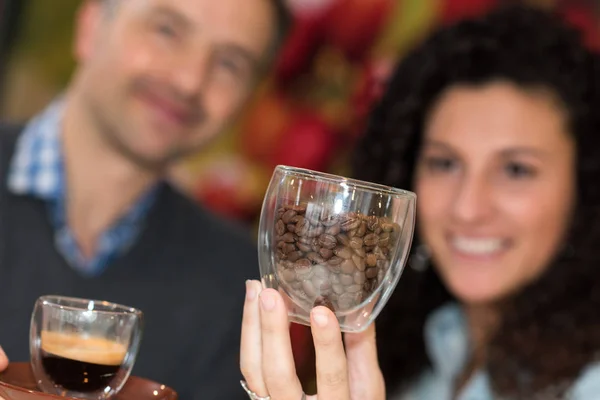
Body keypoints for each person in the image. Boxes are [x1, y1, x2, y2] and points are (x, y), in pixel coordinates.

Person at [239, 4, 600, 400]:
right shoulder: (421, 355)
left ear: (585, 185)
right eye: (444, 163)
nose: (467, 207)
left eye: (516, 170)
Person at [0, 0, 290, 398]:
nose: (190, 80)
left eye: (229, 64)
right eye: (167, 31)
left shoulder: (237, 287)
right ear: (90, 27)